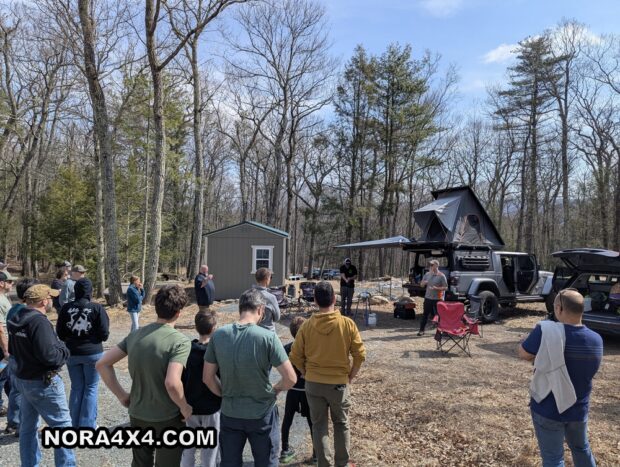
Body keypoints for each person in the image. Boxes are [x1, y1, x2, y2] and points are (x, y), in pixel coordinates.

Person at [96, 284, 192, 467]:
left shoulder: (136, 335)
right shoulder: (179, 341)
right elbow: (172, 383)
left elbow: (102, 364)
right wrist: (185, 407)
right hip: (168, 416)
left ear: (156, 308)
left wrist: (122, 396)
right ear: (179, 312)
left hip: (138, 414)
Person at [203, 288, 297, 467]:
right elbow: (291, 378)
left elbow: (207, 377)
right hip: (262, 414)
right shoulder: (268, 337)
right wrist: (275, 389)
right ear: (261, 310)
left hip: (230, 413)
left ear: (240, 309)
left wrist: (224, 394)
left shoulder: (219, 335)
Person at [518, 289, 603, 467]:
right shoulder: (597, 340)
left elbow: (524, 353)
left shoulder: (545, 331)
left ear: (559, 308)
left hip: (548, 409)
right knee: (581, 448)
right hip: (578, 409)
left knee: (553, 459)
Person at [289, 281, 366, 467]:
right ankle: (342, 463)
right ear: (334, 299)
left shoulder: (306, 326)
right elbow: (360, 355)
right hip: (339, 384)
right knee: (341, 424)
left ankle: (324, 463)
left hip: (313, 384)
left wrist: (305, 372)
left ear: (315, 301)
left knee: (319, 425)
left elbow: (295, 355)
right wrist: (351, 376)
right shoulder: (347, 324)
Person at [7, 284, 75, 467]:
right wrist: (64, 350)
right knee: (62, 427)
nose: (52, 301)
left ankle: (29, 464)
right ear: (44, 301)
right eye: (50, 298)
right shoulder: (39, 322)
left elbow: (13, 350)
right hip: (43, 382)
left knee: (27, 427)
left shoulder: (16, 317)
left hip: (23, 379)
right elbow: (50, 356)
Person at [56, 278, 110, 428]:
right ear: (90, 291)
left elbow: (60, 333)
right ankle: (87, 425)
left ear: (75, 291)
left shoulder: (66, 308)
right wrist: (93, 339)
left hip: (72, 353)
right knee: (91, 388)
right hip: (93, 353)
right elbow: (105, 334)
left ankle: (73, 424)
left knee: (76, 387)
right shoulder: (97, 308)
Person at [181, 311, 222, 467]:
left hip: (190, 407)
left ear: (196, 327)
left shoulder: (186, 350)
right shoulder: (216, 351)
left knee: (188, 448)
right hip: (211, 407)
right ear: (214, 328)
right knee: (209, 451)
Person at [3, 278, 39, 436]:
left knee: (15, 390)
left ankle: (13, 422)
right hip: (23, 356)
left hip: (15, 354)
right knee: (21, 392)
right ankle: (20, 424)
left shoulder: (13, 309)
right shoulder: (25, 312)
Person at [280, 316, 315, 464]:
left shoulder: (287, 348)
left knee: (287, 419)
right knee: (312, 422)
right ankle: (316, 454)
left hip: (292, 389)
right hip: (308, 390)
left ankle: (285, 450)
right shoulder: (312, 349)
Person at [417, 259, 448, 336]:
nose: (430, 266)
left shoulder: (441, 275)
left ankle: (442, 331)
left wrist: (437, 288)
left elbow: (446, 287)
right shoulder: (427, 274)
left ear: (436, 265)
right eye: (430, 265)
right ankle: (421, 330)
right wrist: (423, 283)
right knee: (425, 315)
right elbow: (421, 285)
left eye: (432, 265)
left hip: (438, 299)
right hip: (428, 298)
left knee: (440, 315)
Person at [0, 270, 16, 417]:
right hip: (2, 345)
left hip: (4, 343)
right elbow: (0, 327)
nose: (12, 284)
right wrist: (6, 350)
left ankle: (13, 408)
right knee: (3, 377)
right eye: (10, 281)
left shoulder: (4, 297)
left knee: (8, 377)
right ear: (1, 283)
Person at [252, 267, 281, 333]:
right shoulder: (271, 297)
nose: (270, 279)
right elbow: (277, 318)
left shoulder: (248, 295)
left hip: (253, 332)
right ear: (266, 279)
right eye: (270, 277)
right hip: (268, 332)